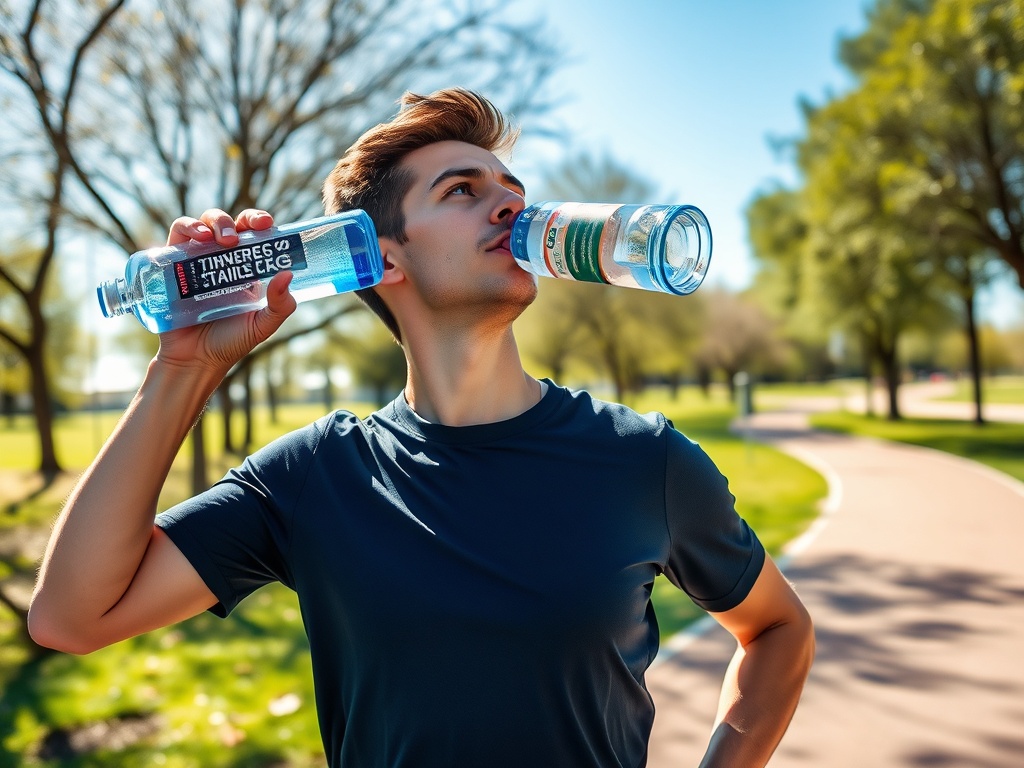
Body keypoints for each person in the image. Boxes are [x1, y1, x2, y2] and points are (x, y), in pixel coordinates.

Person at [29, 88, 814, 767]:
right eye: (462, 191)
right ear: (379, 257)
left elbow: (778, 628)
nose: (512, 204)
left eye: (511, 186)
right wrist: (185, 367)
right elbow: (71, 616)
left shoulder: (645, 461)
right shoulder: (315, 479)